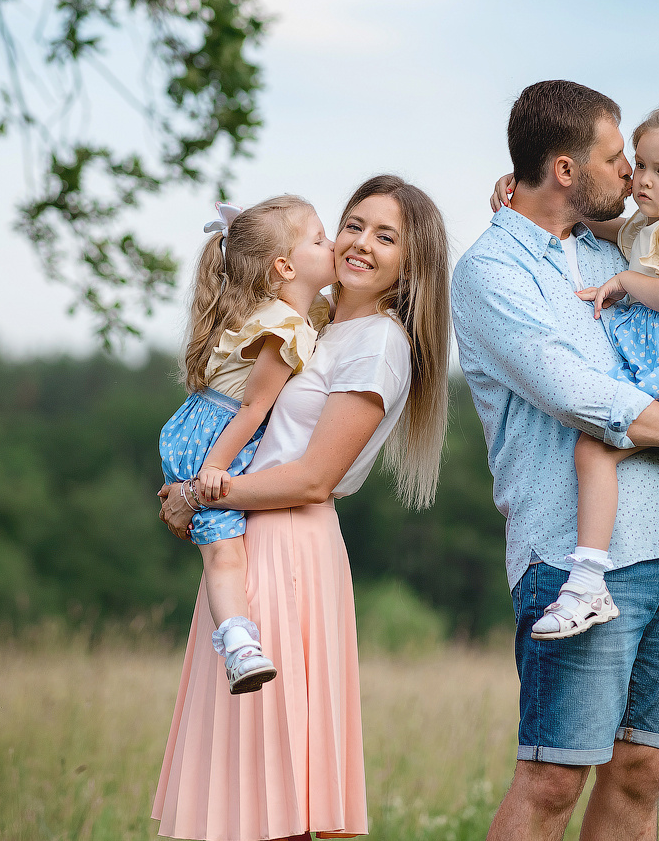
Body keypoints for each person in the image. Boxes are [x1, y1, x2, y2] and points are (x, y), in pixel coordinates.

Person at [452, 80, 659, 841]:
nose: (630, 175)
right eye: (616, 159)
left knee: (643, 772)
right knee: (553, 778)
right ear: (563, 169)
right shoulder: (492, 274)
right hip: (578, 559)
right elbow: (577, 393)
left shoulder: (618, 245)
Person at [152, 175, 451, 841]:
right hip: (243, 537)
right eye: (352, 225)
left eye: (386, 236)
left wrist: (197, 492)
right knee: (244, 790)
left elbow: (314, 478)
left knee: (275, 789)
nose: (360, 244)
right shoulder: (311, 325)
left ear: (412, 263)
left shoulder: (376, 343)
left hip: (289, 545)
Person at [490, 103, 659, 641]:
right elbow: (584, 220)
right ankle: (587, 578)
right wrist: (519, 189)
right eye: (635, 164)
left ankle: (587, 581)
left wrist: (625, 284)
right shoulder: (641, 228)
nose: (638, 179)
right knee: (597, 445)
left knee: (594, 450)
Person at [159, 195, 337, 694]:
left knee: (223, 547)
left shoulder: (293, 314)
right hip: (216, 437)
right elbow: (253, 410)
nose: (334, 245)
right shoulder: (282, 327)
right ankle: (238, 643)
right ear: (284, 266)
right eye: (320, 240)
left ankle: (238, 637)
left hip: (209, 427)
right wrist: (212, 472)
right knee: (224, 553)